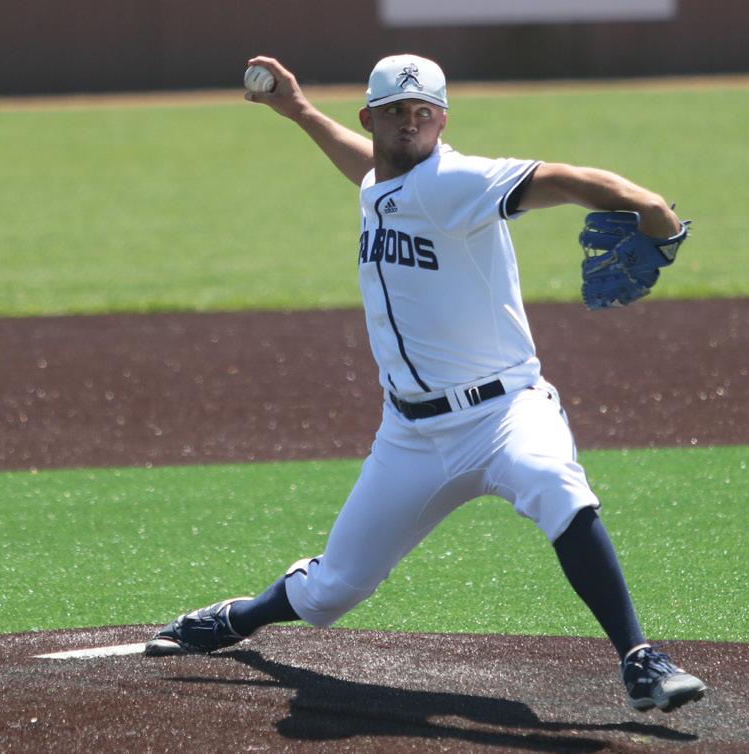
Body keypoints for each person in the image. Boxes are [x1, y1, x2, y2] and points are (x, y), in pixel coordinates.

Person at [146, 53, 706, 714]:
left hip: (504, 413)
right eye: (395, 112)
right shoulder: (383, 180)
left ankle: (640, 658)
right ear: (371, 118)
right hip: (410, 434)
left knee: (554, 483)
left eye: (423, 112)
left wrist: (649, 208)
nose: (409, 123)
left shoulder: (457, 181)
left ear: (442, 121)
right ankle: (238, 617)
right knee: (332, 591)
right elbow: (368, 167)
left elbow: (563, 179)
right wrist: (298, 111)